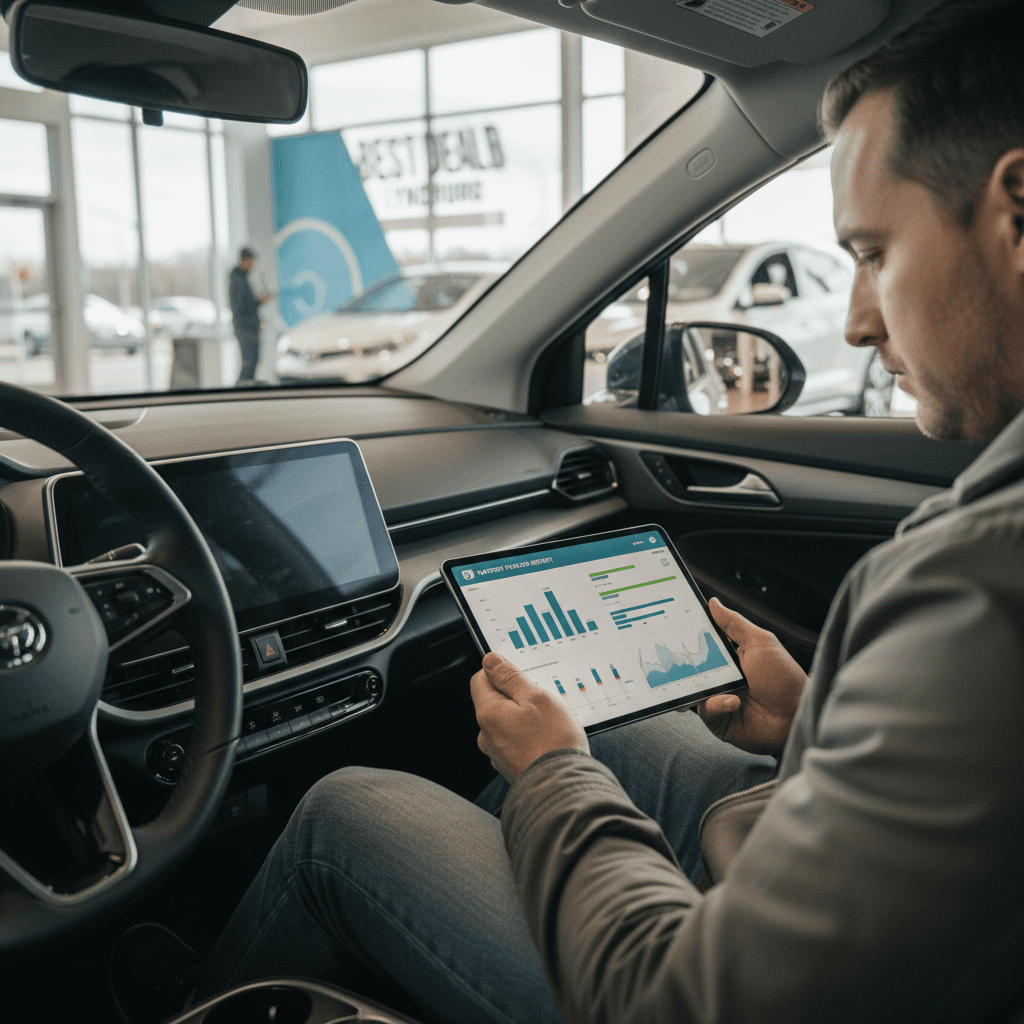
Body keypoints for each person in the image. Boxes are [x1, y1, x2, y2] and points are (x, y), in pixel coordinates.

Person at [113, 1, 1024, 1021]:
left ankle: (199, 996)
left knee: (342, 810)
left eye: (870, 252)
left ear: (1016, 210)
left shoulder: (978, 582)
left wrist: (550, 775)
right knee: (629, 735)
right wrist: (807, 721)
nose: (858, 320)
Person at [228, 247, 269, 385]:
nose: (253, 264)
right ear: (244, 261)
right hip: (245, 328)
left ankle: (246, 390)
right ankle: (242, 392)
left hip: (248, 327)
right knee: (249, 362)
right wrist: (259, 301)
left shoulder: (241, 278)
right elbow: (242, 308)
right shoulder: (238, 281)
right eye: (251, 261)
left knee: (252, 361)